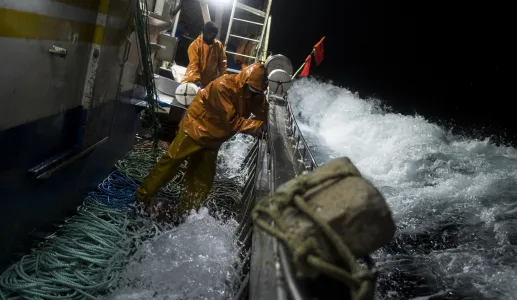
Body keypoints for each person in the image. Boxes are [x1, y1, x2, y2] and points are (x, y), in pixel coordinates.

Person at [136, 62, 269, 218]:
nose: (254, 95)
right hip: (195, 127)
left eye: (258, 93)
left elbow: (262, 111)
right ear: (244, 82)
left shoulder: (254, 93)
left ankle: (187, 212)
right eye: (253, 91)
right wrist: (258, 127)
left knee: (202, 177)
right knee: (171, 162)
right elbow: (231, 121)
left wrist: (268, 120)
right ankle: (142, 196)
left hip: (215, 137)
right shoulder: (223, 86)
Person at [182, 21, 228, 88]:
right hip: (193, 81)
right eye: (210, 33)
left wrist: (224, 79)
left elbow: (223, 64)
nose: (212, 35)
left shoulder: (218, 45)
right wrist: (196, 79)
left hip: (208, 83)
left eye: (214, 34)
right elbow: (194, 64)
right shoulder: (195, 45)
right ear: (205, 31)